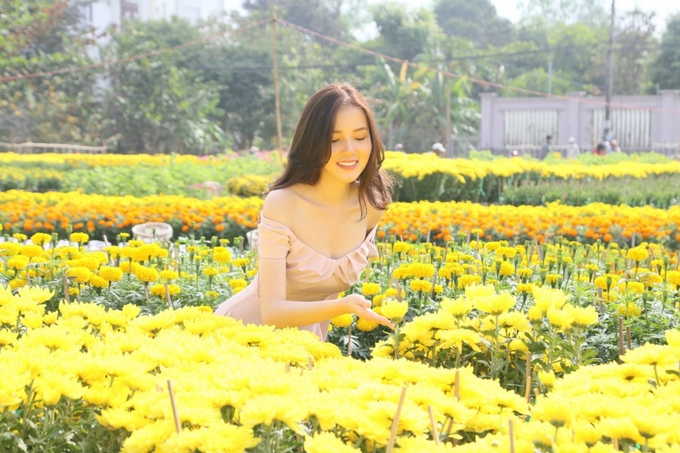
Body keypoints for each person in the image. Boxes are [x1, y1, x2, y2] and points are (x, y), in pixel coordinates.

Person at [214, 83, 395, 340]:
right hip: (243, 335)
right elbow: (272, 312)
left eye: (359, 137)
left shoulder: (372, 206)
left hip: (306, 343)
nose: (350, 150)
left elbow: (330, 288)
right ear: (313, 143)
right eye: (334, 140)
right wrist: (344, 306)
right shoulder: (283, 203)